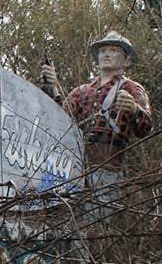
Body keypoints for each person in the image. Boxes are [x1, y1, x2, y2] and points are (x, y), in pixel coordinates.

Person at [39, 31, 152, 173]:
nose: (106, 55)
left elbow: (145, 128)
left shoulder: (130, 88)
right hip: (75, 163)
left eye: (113, 50)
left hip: (110, 162)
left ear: (126, 60)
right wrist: (53, 89)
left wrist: (135, 110)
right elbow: (61, 121)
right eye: (102, 51)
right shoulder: (81, 91)